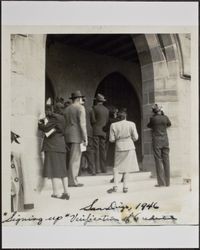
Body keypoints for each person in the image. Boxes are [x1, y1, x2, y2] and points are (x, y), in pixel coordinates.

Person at [38, 103, 70, 199]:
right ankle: (66, 192)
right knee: (63, 170)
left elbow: (46, 128)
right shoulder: (64, 118)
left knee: (54, 170)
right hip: (61, 145)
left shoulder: (55, 117)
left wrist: (39, 124)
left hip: (53, 146)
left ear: (54, 109)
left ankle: (56, 192)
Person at [107, 109, 139, 193]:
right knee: (127, 167)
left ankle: (115, 186)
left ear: (118, 117)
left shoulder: (113, 125)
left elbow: (111, 139)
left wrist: (118, 138)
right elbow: (136, 137)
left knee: (117, 167)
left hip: (119, 146)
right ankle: (125, 187)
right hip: (129, 146)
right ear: (125, 116)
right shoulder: (132, 124)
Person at [64, 90, 88, 187]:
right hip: (76, 135)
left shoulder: (67, 108)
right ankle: (73, 181)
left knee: (69, 158)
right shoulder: (80, 108)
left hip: (67, 134)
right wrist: (85, 137)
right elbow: (82, 124)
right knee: (75, 159)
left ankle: (70, 180)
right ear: (78, 99)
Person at [147, 104, 171, 187]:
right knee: (166, 160)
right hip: (165, 140)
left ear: (154, 111)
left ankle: (161, 182)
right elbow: (169, 124)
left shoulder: (153, 119)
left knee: (158, 160)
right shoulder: (165, 117)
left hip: (157, 141)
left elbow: (149, 125)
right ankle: (167, 182)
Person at [90, 93, 109, 173]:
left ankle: (97, 169)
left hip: (96, 131)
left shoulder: (94, 108)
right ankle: (104, 168)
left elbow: (93, 121)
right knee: (103, 149)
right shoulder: (106, 110)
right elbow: (107, 121)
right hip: (103, 132)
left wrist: (94, 125)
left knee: (96, 149)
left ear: (96, 101)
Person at [80, 97, 95, 176]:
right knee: (90, 152)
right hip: (89, 132)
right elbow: (93, 121)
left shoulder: (78, 108)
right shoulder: (90, 109)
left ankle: (78, 172)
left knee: (80, 152)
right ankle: (92, 170)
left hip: (80, 133)